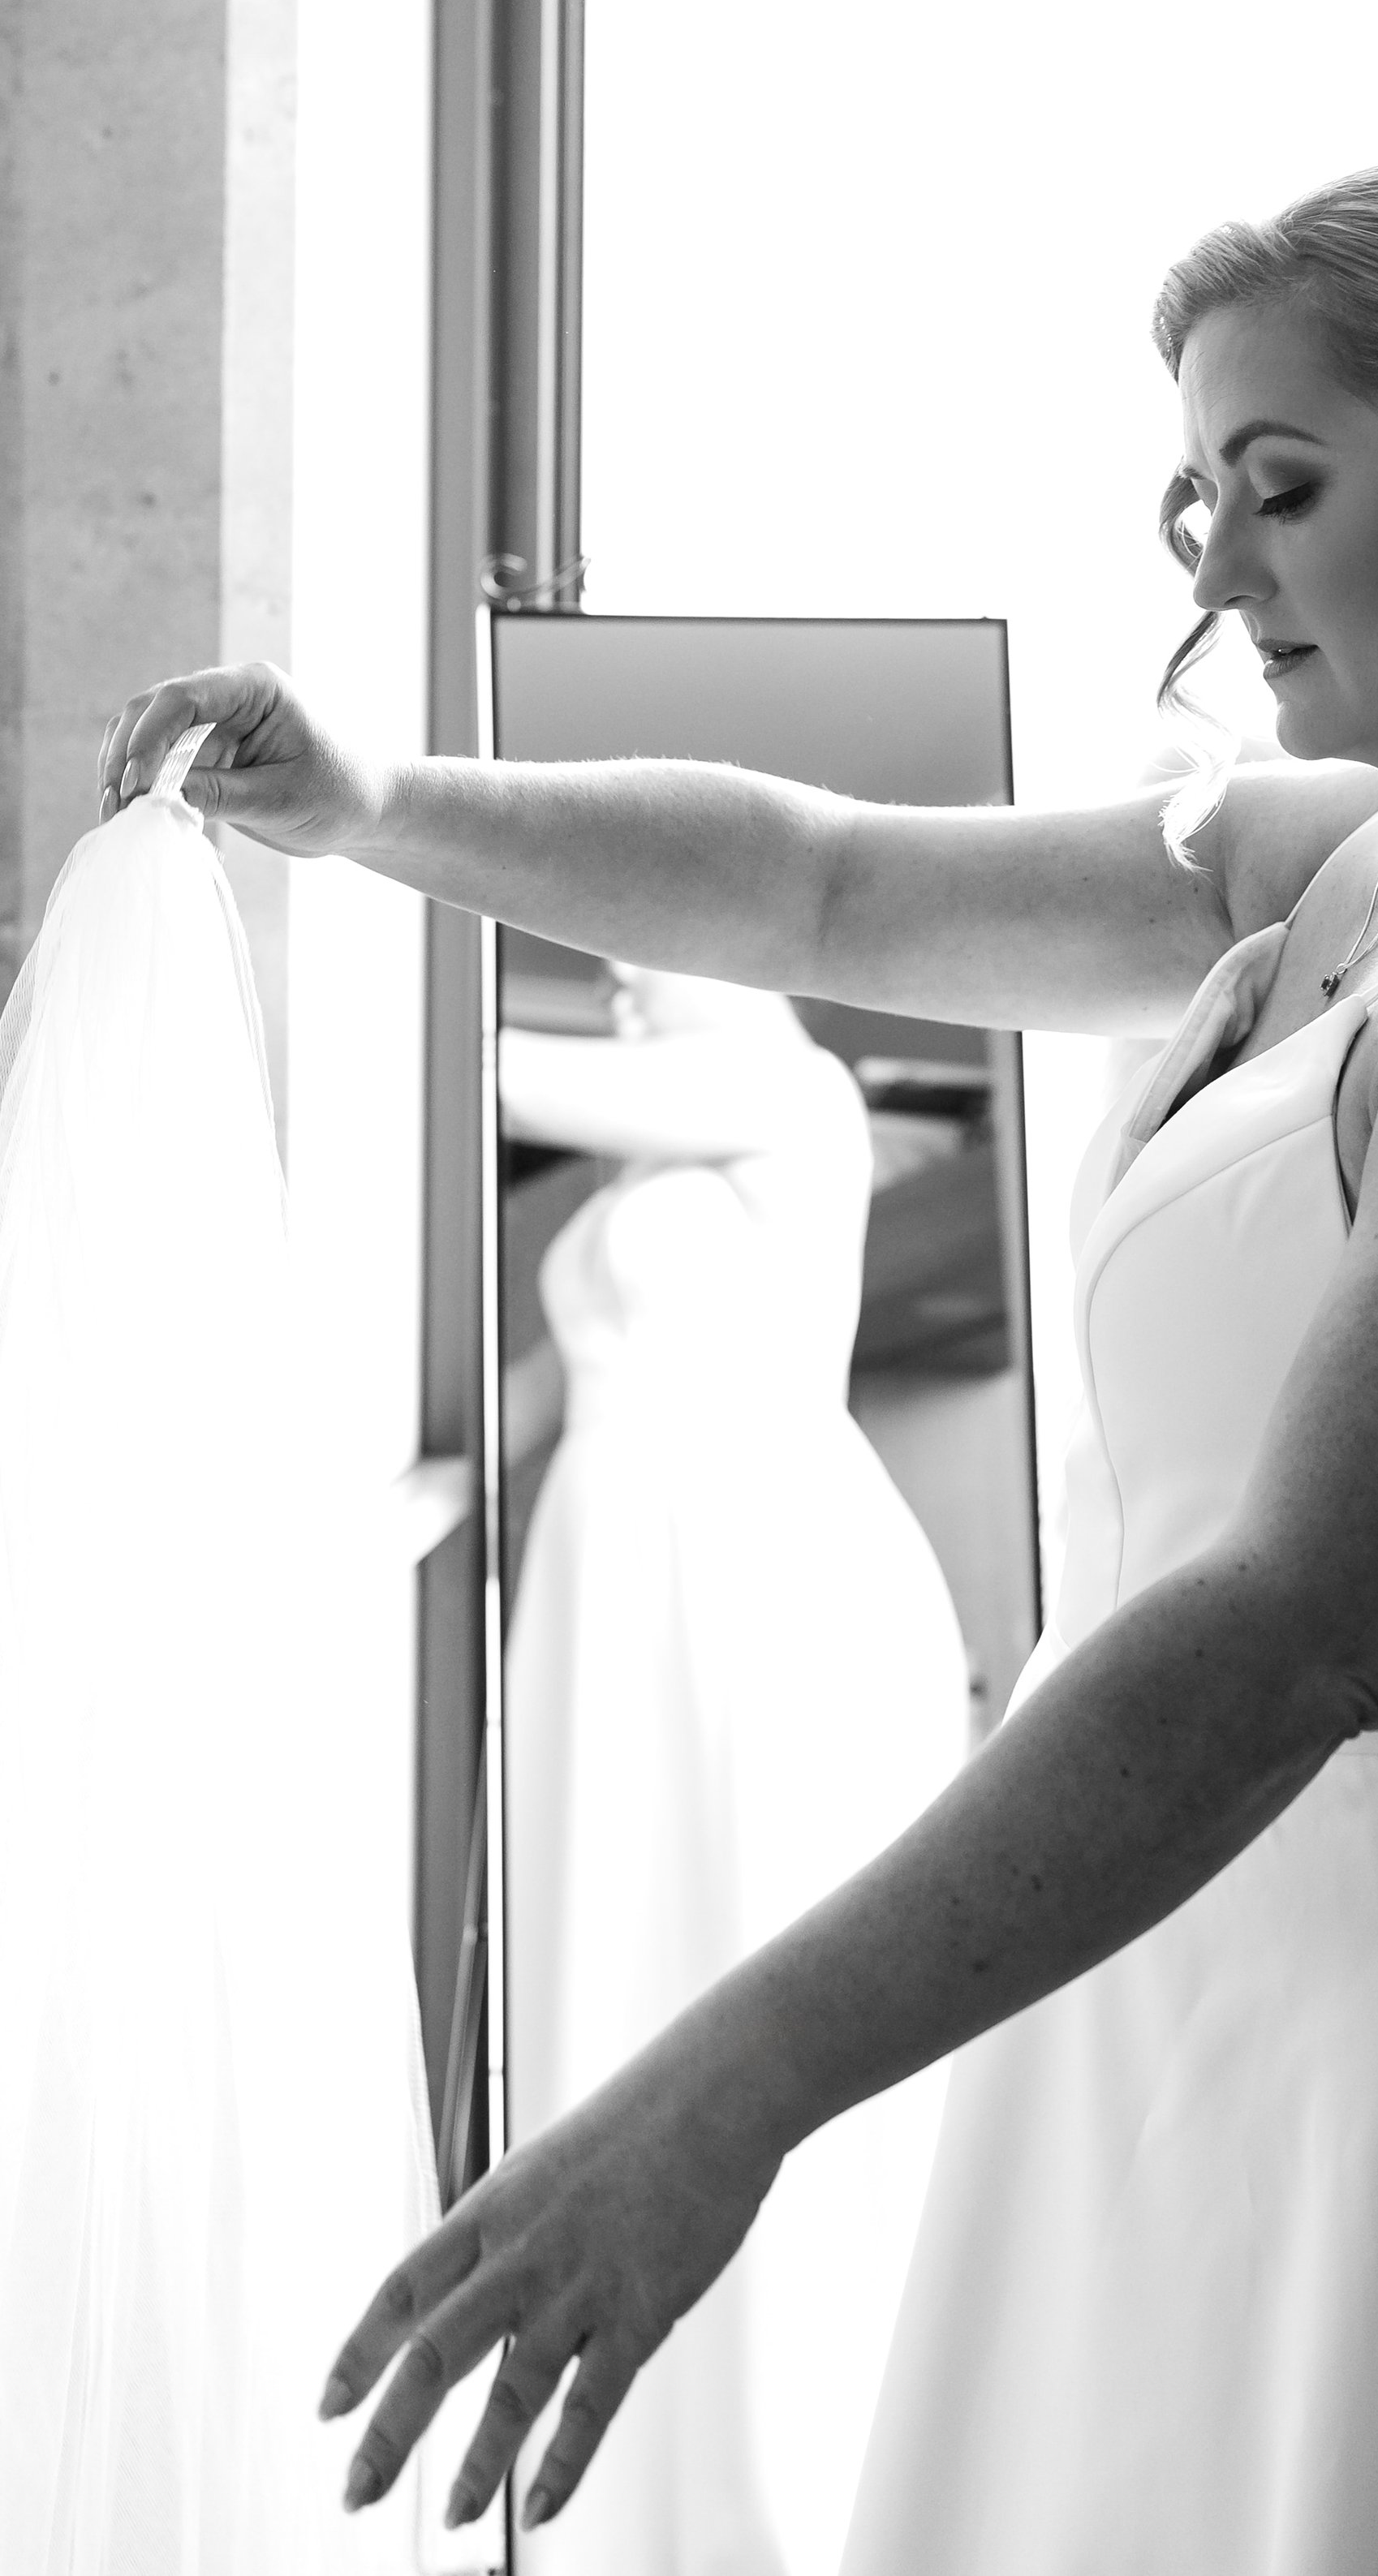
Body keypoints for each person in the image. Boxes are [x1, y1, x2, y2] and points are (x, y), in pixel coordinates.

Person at [102, 154, 1378, 2574]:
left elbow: (1312, 1621)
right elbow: (825, 878)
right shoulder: (1364, 856)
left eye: (1280, 486)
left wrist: (727, 2086)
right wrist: (375, 806)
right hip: (1196, 1941)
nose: (1215, 569)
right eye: (1193, 501)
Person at [497, 968, 969, 2575]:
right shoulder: (655, 1159)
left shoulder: (791, 1090)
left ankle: (783, 2500)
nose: (619, 976)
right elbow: (528, 1400)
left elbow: (482, 1071)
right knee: (616, 1961)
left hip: (751, 1572)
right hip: (612, 1584)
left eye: (638, 941)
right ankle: (617, 2500)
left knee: (737, 1952)